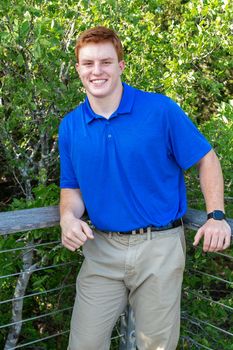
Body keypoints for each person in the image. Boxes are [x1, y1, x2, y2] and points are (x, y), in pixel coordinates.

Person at [58, 26, 231, 350]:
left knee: (157, 347)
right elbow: (72, 187)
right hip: (101, 251)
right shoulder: (70, 126)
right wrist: (68, 218)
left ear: (121, 65)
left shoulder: (159, 110)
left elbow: (206, 158)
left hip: (159, 248)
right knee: (83, 344)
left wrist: (216, 215)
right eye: (89, 63)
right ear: (78, 68)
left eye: (106, 62)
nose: (97, 71)